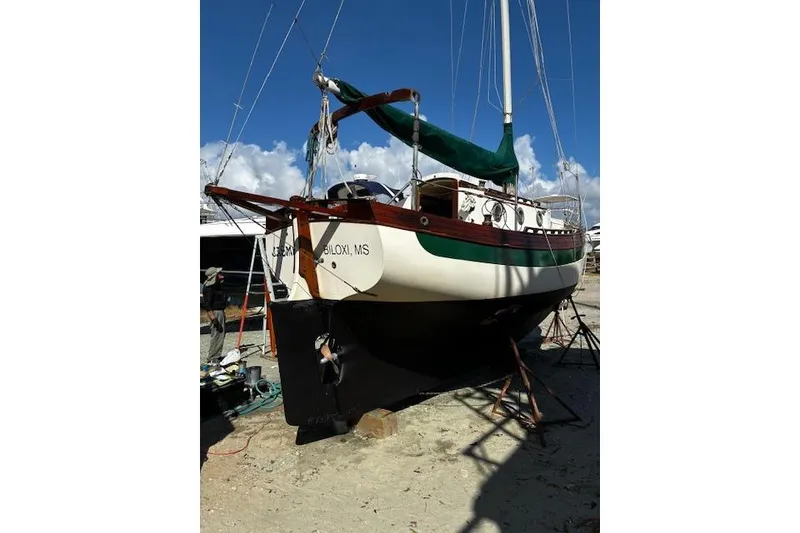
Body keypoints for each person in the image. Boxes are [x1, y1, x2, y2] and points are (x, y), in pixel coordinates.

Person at [202, 266, 227, 364]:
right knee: (217, 334)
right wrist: (213, 319)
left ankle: (216, 355)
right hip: (216, 313)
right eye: (219, 274)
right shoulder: (209, 289)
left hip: (220, 312)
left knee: (220, 335)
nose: (222, 275)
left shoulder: (216, 286)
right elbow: (207, 305)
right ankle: (212, 357)